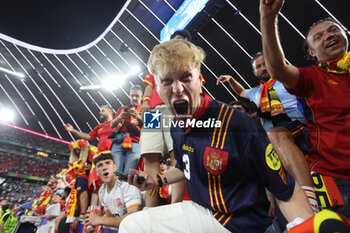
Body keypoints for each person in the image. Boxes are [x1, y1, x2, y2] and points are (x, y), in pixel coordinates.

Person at [119, 39, 314, 233]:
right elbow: (183, 166)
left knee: (132, 226)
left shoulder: (237, 125)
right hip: (202, 209)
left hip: (237, 223)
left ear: (199, 79)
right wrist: (156, 180)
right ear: (158, 87)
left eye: (186, 77)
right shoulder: (176, 126)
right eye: (167, 81)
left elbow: (285, 189)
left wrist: (308, 226)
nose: (177, 89)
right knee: (149, 161)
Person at [260, 0, 350, 218]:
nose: (328, 36)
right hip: (339, 179)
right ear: (311, 51)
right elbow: (277, 69)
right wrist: (268, 19)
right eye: (318, 37)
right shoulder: (311, 78)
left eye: (333, 30)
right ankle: (308, 202)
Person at [217, 53, 318, 213]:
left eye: (265, 63)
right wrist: (231, 80)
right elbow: (242, 92)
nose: (263, 68)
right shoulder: (257, 92)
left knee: (274, 136)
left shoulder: (289, 78)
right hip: (275, 140)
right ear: (254, 73)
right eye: (258, 67)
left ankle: (310, 202)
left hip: (301, 131)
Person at [140, 30, 193, 207]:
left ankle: (176, 205)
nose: (178, 44)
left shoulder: (192, 65)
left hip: (175, 108)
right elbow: (149, 84)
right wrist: (145, 101)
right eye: (175, 40)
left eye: (182, 42)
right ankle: (151, 207)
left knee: (176, 154)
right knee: (150, 155)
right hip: (153, 111)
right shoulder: (158, 62)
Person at [84, 152, 142, 232]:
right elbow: (109, 217)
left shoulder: (127, 184)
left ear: (115, 167)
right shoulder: (101, 190)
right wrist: (92, 223)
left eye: (107, 163)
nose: (104, 167)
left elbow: (133, 218)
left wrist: (100, 220)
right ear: (97, 172)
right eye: (100, 165)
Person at [110, 85, 143, 175]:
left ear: (142, 96)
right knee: (115, 173)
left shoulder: (147, 109)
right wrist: (120, 117)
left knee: (129, 174)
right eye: (132, 95)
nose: (134, 98)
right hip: (118, 142)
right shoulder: (122, 109)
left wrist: (138, 117)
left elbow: (152, 128)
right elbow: (112, 125)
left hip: (135, 142)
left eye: (137, 96)